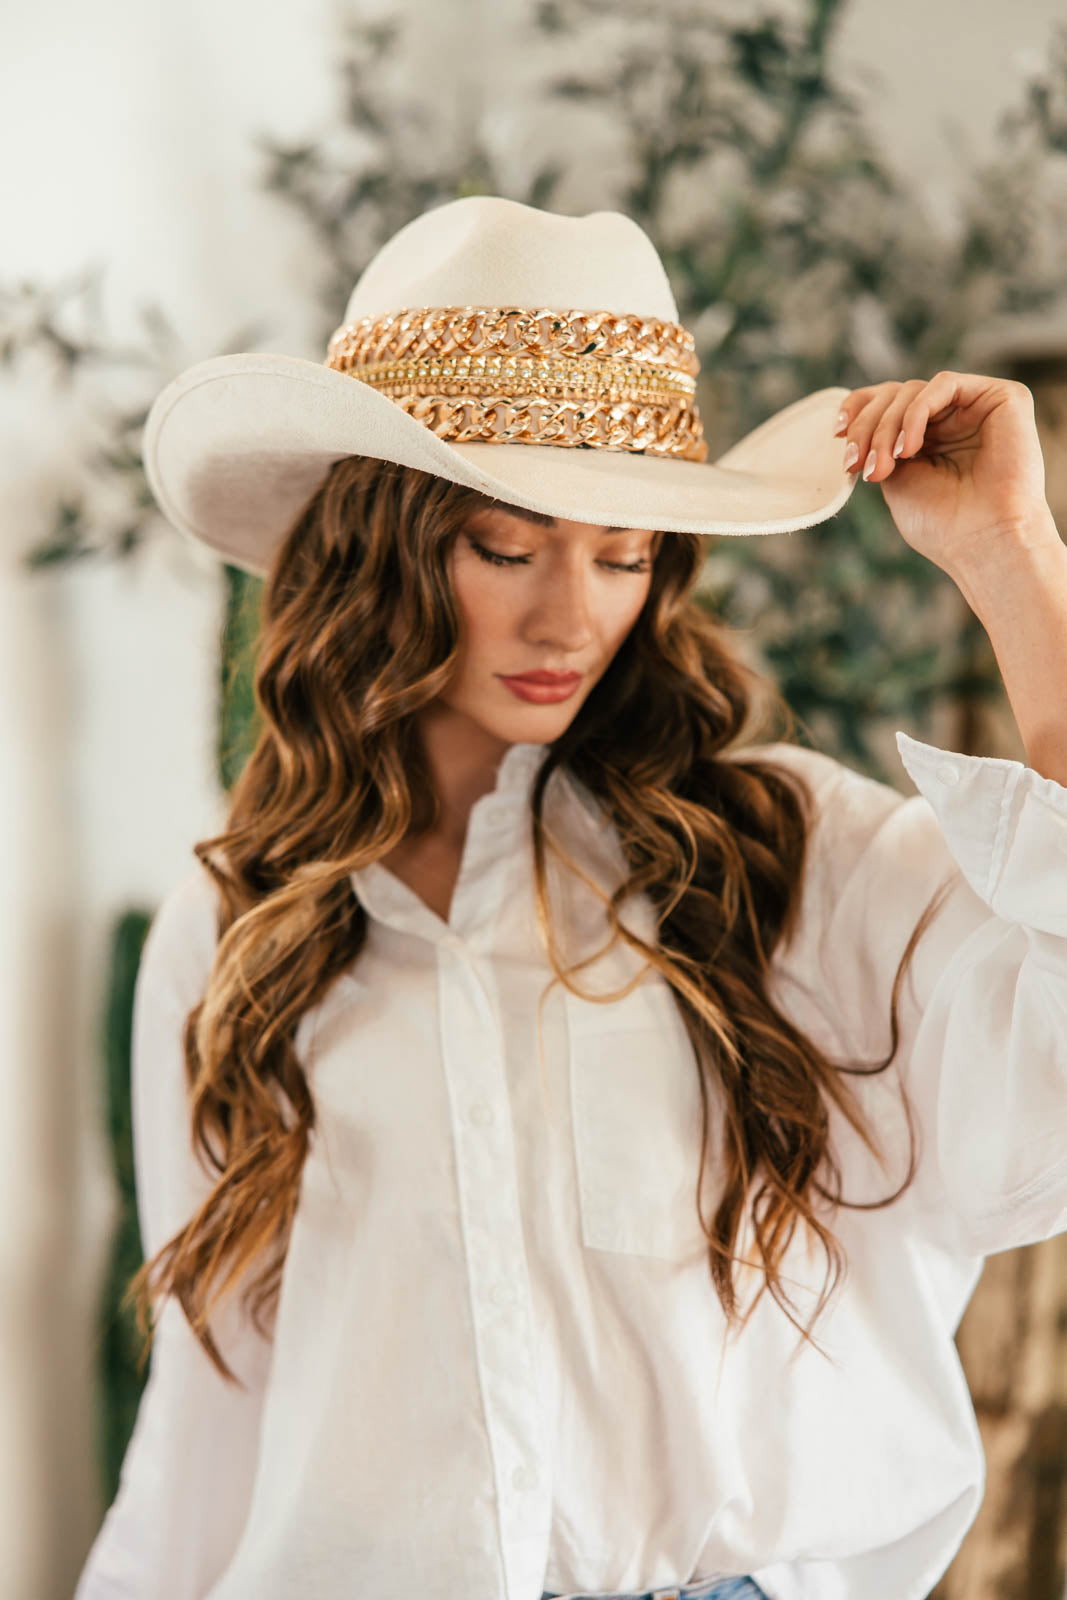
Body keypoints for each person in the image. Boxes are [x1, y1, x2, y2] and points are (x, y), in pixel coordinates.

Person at [74, 195, 1067, 1600]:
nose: (570, 620)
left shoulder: (785, 858)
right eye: (505, 545)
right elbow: (209, 1419)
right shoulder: (238, 926)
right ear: (385, 545)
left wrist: (1013, 562)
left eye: (623, 552)